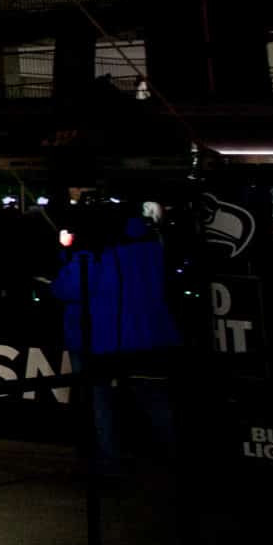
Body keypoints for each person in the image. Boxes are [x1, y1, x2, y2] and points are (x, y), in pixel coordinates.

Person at [48, 200, 181, 477]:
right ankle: (177, 460)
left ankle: (109, 463)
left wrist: (64, 254)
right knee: (154, 399)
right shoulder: (152, 245)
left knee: (100, 401)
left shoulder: (92, 250)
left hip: (103, 339)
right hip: (151, 336)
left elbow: (68, 289)